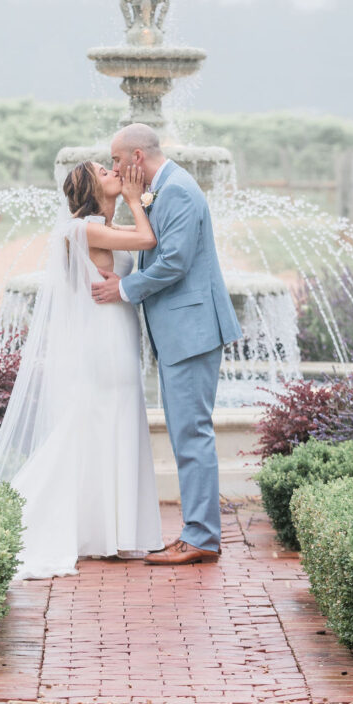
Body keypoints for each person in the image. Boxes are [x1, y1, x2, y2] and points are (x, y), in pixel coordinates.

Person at [0, 160, 163, 578]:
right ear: (91, 188)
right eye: (103, 171)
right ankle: (98, 531)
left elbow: (142, 239)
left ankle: (107, 532)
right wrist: (136, 200)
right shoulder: (84, 229)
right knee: (104, 420)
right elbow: (147, 238)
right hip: (105, 339)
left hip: (116, 331)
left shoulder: (101, 227)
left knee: (110, 421)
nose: (113, 171)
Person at [92, 123, 242, 565]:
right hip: (184, 331)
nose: (115, 167)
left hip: (192, 332)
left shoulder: (176, 191)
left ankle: (201, 538)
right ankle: (197, 532)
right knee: (185, 433)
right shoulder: (163, 188)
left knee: (191, 434)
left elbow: (174, 262)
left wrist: (123, 289)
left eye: (117, 159)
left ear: (136, 158)